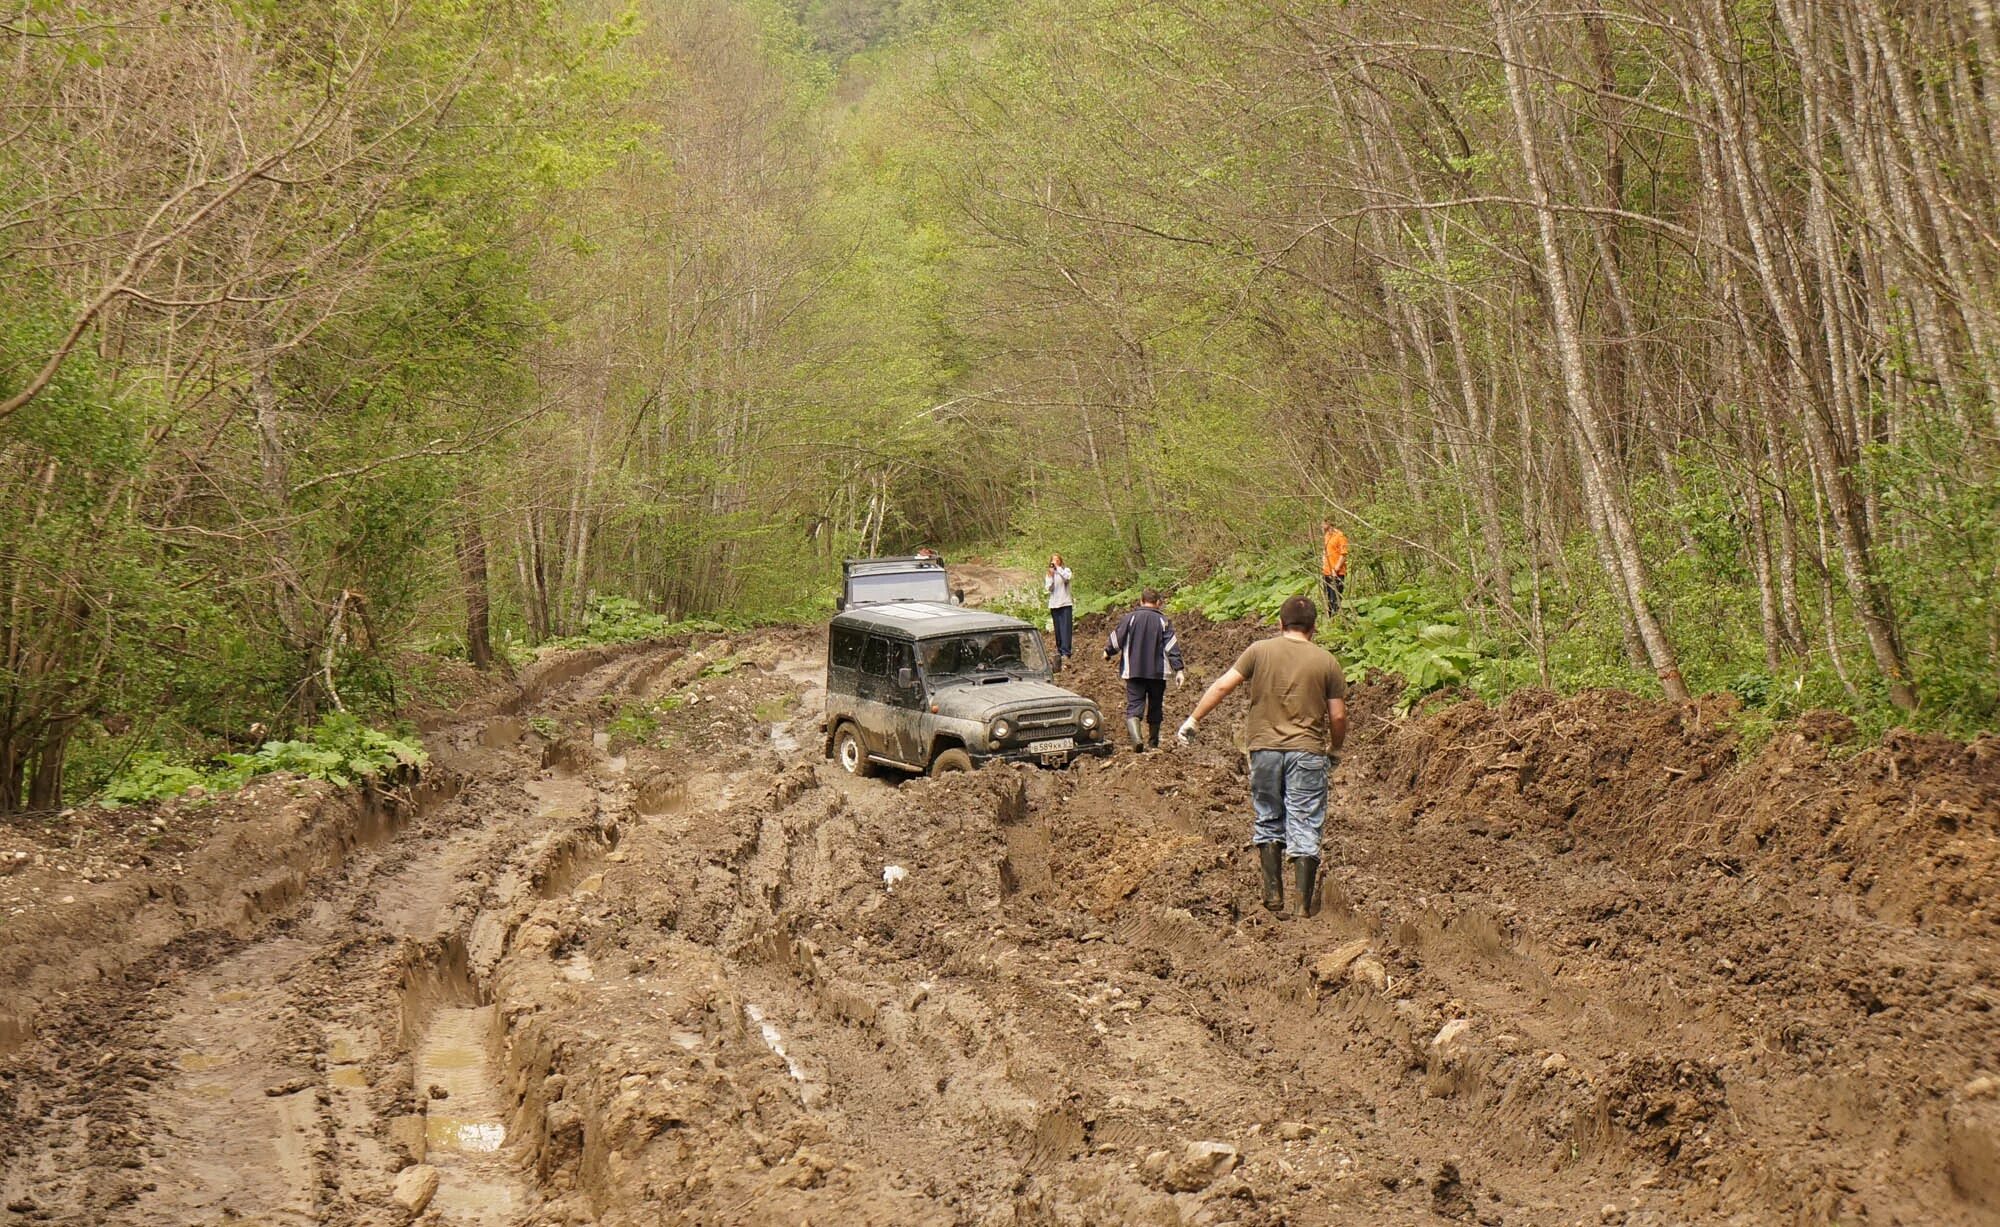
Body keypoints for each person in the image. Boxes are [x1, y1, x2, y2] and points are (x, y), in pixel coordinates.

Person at [1177, 594, 1347, 917]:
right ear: (1313, 628)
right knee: (1305, 819)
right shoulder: (1327, 662)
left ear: (1280, 624)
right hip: (1307, 751)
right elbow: (1337, 717)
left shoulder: (1258, 651)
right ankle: (1301, 904)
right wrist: (1335, 748)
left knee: (1268, 815)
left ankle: (1273, 896)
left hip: (1264, 749)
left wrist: (1194, 718)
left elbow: (1222, 686)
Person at [1103, 588, 1185, 752]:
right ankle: (1153, 743)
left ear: (1141, 601)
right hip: (1157, 673)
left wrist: (1107, 651)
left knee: (1134, 704)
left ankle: (1137, 740)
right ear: (1158, 603)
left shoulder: (1130, 618)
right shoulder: (1164, 621)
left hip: (1134, 671)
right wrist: (1179, 670)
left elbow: (1117, 638)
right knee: (1156, 705)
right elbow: (1171, 646)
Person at [1044, 553, 1074, 669]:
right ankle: (1060, 650)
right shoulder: (1049, 575)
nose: (1054, 562)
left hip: (1065, 603)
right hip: (1054, 605)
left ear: (1060, 561)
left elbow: (1067, 578)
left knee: (1066, 628)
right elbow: (1049, 588)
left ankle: (1066, 652)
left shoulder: (1065, 570)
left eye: (1057, 560)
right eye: (1053, 560)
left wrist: (1059, 569)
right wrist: (1051, 575)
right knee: (1058, 629)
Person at [1319, 520, 1349, 616]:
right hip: (1326, 572)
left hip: (1337, 573)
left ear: (1328, 523)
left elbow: (1343, 554)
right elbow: (1326, 551)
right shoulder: (1327, 536)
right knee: (1328, 598)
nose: (1321, 525)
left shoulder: (1340, 536)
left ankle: (1336, 619)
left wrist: (1336, 569)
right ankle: (1330, 619)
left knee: (1335, 599)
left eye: (1323, 523)